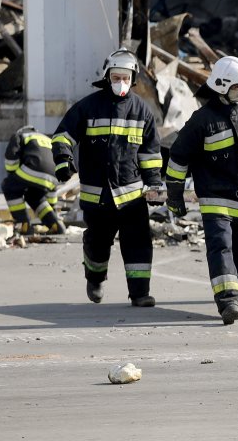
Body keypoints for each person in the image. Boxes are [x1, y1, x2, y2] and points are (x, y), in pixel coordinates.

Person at [52, 48, 164, 307]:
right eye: (116, 77)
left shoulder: (142, 111)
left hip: (132, 196)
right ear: (107, 76)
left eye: (126, 77)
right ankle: (95, 277)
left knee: (138, 243)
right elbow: (63, 135)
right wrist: (63, 160)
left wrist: (155, 184)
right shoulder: (88, 106)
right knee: (97, 244)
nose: (121, 83)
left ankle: (140, 293)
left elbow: (150, 154)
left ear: (133, 78)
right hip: (97, 195)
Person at [165, 56, 238, 325]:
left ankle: (236, 298)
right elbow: (178, 157)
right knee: (221, 248)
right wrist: (175, 196)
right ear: (221, 87)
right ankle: (227, 301)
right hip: (216, 200)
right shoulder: (202, 121)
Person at [2, 126, 66, 235]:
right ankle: (54, 224)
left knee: (9, 187)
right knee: (34, 196)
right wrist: (52, 212)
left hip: (33, 168)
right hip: (54, 175)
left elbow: (11, 157)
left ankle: (24, 224)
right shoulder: (46, 138)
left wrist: (13, 174)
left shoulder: (20, 135)